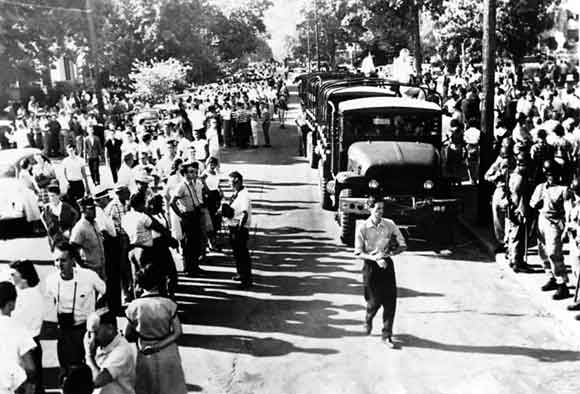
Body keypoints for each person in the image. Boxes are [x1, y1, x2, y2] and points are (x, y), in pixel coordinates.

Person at [44, 241, 106, 381]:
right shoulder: (51, 281)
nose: (59, 264)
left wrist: (96, 313)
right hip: (64, 331)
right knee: (66, 371)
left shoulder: (88, 276)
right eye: (56, 260)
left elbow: (105, 291)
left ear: (72, 260)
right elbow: (50, 303)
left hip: (84, 330)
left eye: (64, 260)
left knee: (88, 368)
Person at [124, 264, 187, 394]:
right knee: (170, 387)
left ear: (140, 284)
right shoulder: (168, 304)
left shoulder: (134, 306)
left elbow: (128, 334)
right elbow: (177, 332)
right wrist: (158, 345)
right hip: (168, 351)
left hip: (144, 351)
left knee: (146, 387)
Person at [354, 195, 407, 348]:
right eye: (377, 209)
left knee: (390, 301)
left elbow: (402, 244)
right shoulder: (363, 227)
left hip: (387, 265)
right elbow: (358, 252)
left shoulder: (390, 224)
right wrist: (375, 259)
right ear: (370, 209)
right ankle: (368, 317)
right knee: (374, 302)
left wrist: (390, 253)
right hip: (371, 267)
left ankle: (386, 335)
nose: (380, 212)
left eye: (382, 209)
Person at [530, 160, 571, 300]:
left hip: (554, 222)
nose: (550, 176)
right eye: (548, 174)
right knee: (542, 251)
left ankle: (562, 284)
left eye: (553, 174)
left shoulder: (564, 190)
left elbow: (568, 211)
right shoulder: (540, 187)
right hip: (542, 220)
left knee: (554, 253)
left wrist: (564, 228)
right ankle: (551, 276)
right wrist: (536, 204)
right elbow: (532, 203)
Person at [8, 261, 44, 394]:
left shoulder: (27, 297)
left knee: (28, 386)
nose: (10, 277)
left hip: (27, 348)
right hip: (30, 345)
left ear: (23, 276)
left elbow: (15, 322)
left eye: (13, 274)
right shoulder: (31, 294)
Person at [83, 310, 136, 394]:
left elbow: (97, 381)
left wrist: (89, 356)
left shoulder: (122, 351)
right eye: (89, 332)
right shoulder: (101, 346)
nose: (91, 338)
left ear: (110, 329)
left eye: (95, 332)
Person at [0, 281, 37, 394]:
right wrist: (30, 384)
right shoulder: (19, 328)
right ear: (12, 304)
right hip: (9, 388)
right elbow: (30, 367)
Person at [170, 161, 206, 276]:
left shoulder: (192, 184)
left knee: (195, 242)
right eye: (190, 172)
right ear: (185, 174)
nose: (193, 174)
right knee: (189, 243)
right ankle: (189, 268)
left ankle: (195, 266)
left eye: (194, 172)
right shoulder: (182, 186)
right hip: (188, 216)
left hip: (195, 214)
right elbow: (172, 202)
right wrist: (181, 214)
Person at [223, 171, 253, 289]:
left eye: (231, 182)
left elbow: (244, 214)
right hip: (233, 227)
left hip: (239, 228)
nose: (229, 185)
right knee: (237, 254)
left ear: (238, 182)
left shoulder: (244, 195)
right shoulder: (237, 193)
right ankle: (241, 274)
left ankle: (246, 279)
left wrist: (240, 229)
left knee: (242, 254)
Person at [105, 185, 132, 304]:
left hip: (129, 237)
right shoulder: (112, 207)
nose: (129, 194)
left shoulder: (127, 204)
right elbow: (108, 225)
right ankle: (125, 293)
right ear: (120, 193)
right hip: (119, 239)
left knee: (130, 266)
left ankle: (131, 291)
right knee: (123, 267)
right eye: (126, 192)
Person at [70, 197, 106, 279]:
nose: (94, 211)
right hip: (90, 270)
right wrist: (82, 266)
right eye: (90, 209)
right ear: (83, 210)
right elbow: (72, 249)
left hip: (100, 267)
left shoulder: (95, 223)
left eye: (94, 208)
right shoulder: (80, 227)